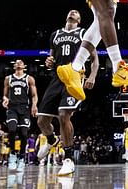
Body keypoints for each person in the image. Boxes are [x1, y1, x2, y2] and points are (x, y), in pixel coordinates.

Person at [37, 10, 99, 176]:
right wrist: (48, 61)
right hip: (57, 76)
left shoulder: (83, 33)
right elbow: (50, 58)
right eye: (71, 11)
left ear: (78, 20)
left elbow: (94, 57)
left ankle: (68, 159)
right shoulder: (55, 34)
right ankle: (51, 140)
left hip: (75, 75)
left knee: (63, 115)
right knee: (42, 121)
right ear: (66, 17)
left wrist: (92, 75)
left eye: (76, 12)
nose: (73, 12)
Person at [2, 59, 38, 171]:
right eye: (16, 62)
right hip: (12, 107)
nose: (18, 63)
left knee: (23, 133)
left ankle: (22, 156)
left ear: (24, 66)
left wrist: (34, 105)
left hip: (24, 108)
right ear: (14, 66)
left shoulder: (29, 78)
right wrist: (5, 99)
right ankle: (12, 154)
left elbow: (34, 95)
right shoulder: (8, 79)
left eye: (20, 62)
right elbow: (5, 94)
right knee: (12, 130)